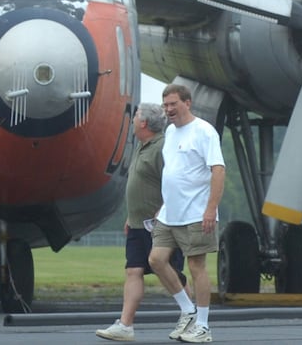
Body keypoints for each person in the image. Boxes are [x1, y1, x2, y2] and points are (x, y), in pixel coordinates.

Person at [96, 103, 186, 342]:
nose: (133, 118)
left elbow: (175, 183)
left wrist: (163, 210)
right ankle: (125, 325)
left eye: (136, 115)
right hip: (138, 223)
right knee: (133, 270)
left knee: (172, 273)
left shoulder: (163, 148)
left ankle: (192, 317)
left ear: (144, 123)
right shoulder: (141, 145)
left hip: (160, 224)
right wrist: (131, 216)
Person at [148, 83, 225, 343]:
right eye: (165, 105)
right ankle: (188, 310)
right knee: (156, 260)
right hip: (170, 213)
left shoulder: (204, 131)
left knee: (196, 266)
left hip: (195, 212)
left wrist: (211, 208)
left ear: (187, 103)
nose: (169, 109)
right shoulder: (170, 132)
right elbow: (174, 171)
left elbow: (218, 170)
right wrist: (163, 204)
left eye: (173, 104)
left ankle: (203, 326)